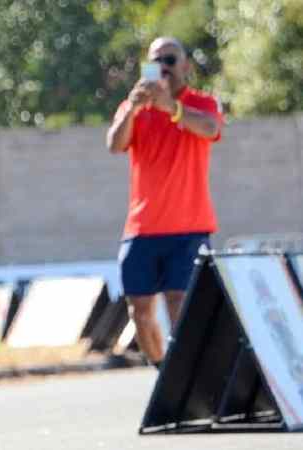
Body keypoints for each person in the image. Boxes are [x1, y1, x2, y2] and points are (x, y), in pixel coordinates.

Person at [106, 37, 223, 368]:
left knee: (179, 304)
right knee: (139, 312)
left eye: (171, 60)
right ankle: (163, 370)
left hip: (189, 227)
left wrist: (171, 107)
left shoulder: (202, 103)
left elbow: (210, 128)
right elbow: (115, 144)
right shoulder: (134, 107)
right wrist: (132, 106)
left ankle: (187, 373)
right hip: (142, 229)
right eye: (157, 61)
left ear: (185, 65)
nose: (165, 68)